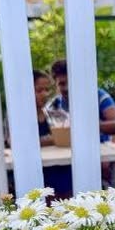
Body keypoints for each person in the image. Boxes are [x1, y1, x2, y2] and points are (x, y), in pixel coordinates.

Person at [48, 58, 115, 141]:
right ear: (55, 85)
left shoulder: (97, 96)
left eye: (71, 82)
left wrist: (84, 126)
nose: (67, 88)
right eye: (62, 84)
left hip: (100, 149)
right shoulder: (53, 105)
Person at [30, 69, 73, 198]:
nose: (44, 94)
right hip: (35, 171)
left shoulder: (54, 114)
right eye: (39, 90)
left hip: (58, 167)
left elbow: (66, 137)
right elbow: (17, 143)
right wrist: (53, 139)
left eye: (47, 89)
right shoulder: (18, 120)